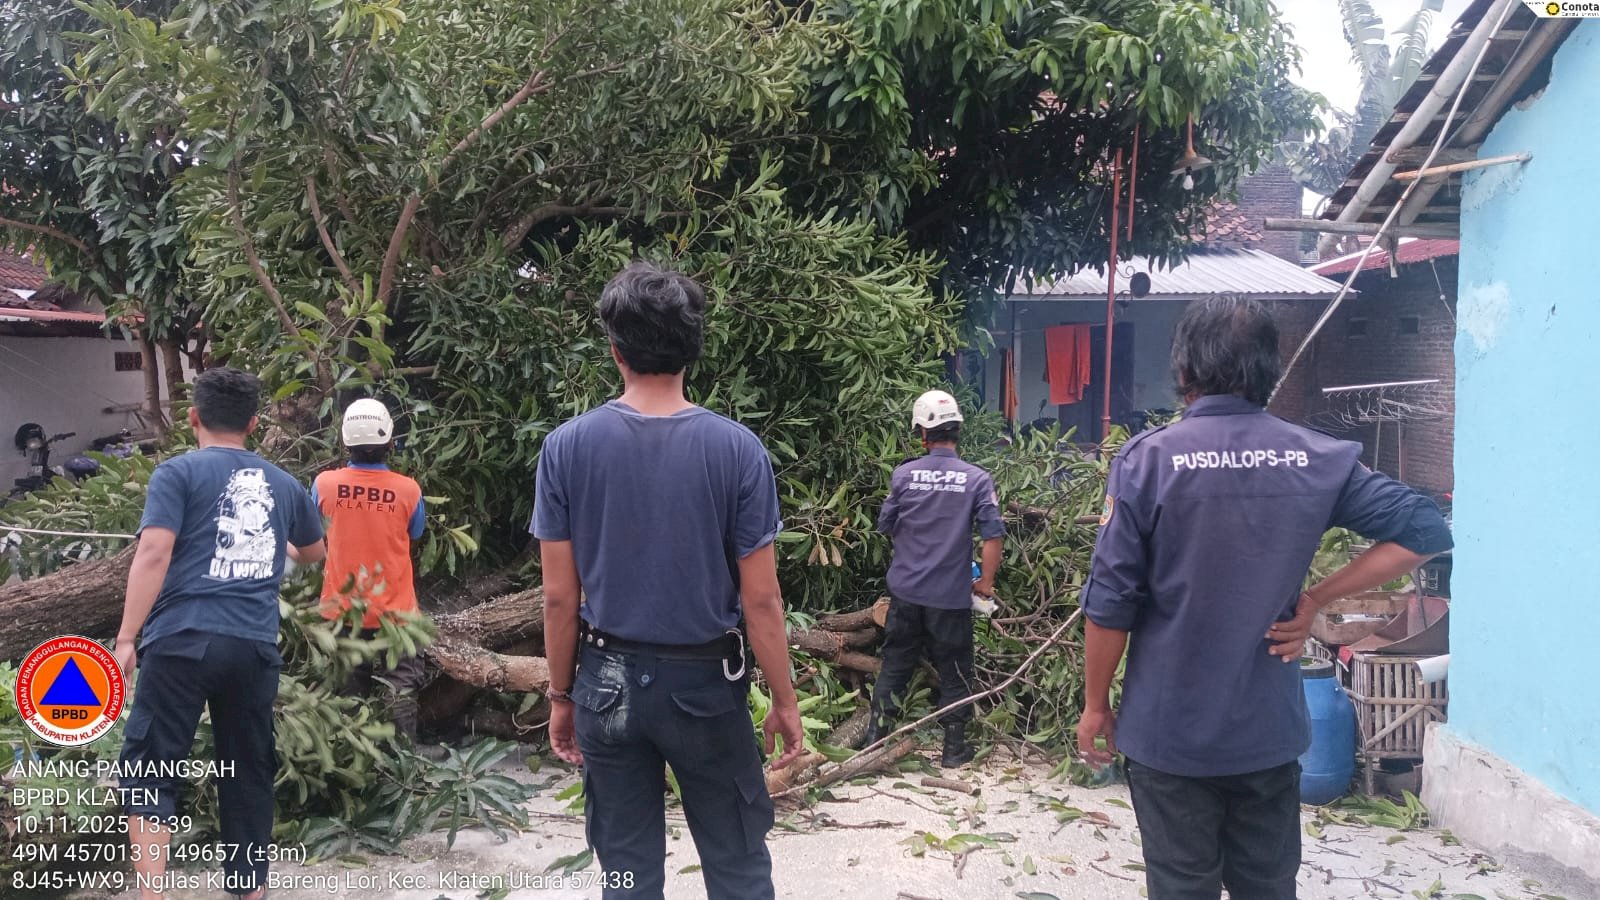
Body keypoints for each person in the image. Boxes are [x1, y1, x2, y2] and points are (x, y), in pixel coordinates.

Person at [1076, 296, 1453, 900]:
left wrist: (1096, 706)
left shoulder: (1146, 461)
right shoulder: (1317, 457)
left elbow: (1110, 604)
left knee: (1179, 886)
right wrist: (1316, 601)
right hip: (1266, 733)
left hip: (1169, 733)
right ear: (1269, 371)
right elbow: (1426, 532)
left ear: (1183, 370)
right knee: (1267, 886)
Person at [531, 261, 805, 899]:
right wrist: (785, 700)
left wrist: (561, 695)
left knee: (625, 873)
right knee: (737, 866)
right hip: (706, 690)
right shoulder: (737, 451)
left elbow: (558, 596)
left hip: (606, 686)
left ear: (614, 349)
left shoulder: (566, 447)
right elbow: (761, 600)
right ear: (693, 350)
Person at [112, 367, 325, 900]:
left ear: (192, 417)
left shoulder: (176, 473)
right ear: (254, 422)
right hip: (252, 646)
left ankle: (152, 894)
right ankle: (249, 890)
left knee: (151, 762)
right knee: (247, 765)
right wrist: (279, 544)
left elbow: (155, 552)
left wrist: (125, 638)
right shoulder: (284, 484)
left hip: (180, 640)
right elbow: (316, 555)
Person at [865, 390, 1004, 767]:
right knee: (955, 670)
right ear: (957, 430)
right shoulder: (977, 479)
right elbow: (993, 536)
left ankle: (874, 741)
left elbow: (886, 525)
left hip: (907, 592)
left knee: (895, 664)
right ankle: (954, 749)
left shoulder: (904, 474)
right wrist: (985, 583)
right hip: (950, 596)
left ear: (922, 434)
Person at [308, 397, 427, 743]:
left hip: (343, 611)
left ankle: (353, 767)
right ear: (390, 442)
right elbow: (414, 534)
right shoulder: (409, 490)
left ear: (345, 442)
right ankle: (405, 769)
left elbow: (310, 533)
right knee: (401, 689)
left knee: (348, 695)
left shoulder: (324, 485)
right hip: (397, 613)